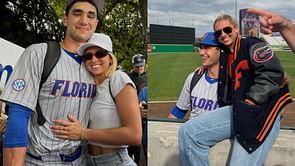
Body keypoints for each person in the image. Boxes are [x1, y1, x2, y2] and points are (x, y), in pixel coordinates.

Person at [178, 14, 292, 166]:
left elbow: (272, 72)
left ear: (236, 28)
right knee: (188, 133)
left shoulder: (252, 44)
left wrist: (252, 101)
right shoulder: (226, 53)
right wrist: (205, 66)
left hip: (261, 113)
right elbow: (215, 59)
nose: (223, 35)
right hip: (240, 111)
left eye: (227, 29)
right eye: (218, 33)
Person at [0, 0, 104, 165]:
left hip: (81, 159)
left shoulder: (96, 65)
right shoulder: (39, 53)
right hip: (40, 160)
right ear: (65, 19)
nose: (84, 20)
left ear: (95, 24)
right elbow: (18, 114)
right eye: (77, 13)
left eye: (91, 16)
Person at [50, 33, 142, 166]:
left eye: (100, 54)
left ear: (110, 58)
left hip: (115, 161)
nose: (93, 59)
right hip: (86, 160)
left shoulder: (118, 79)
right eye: (88, 56)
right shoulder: (88, 88)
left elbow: (134, 135)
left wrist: (83, 133)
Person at [168, 32, 220, 120]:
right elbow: (179, 111)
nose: (201, 52)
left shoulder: (232, 82)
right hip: (193, 132)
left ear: (220, 50)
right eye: (201, 48)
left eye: (207, 47)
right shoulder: (193, 78)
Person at [127, 53, 147, 165]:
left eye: (141, 66)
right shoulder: (128, 77)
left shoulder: (148, 77)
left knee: (140, 144)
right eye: (137, 66)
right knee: (130, 145)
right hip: (131, 113)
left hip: (143, 115)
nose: (139, 68)